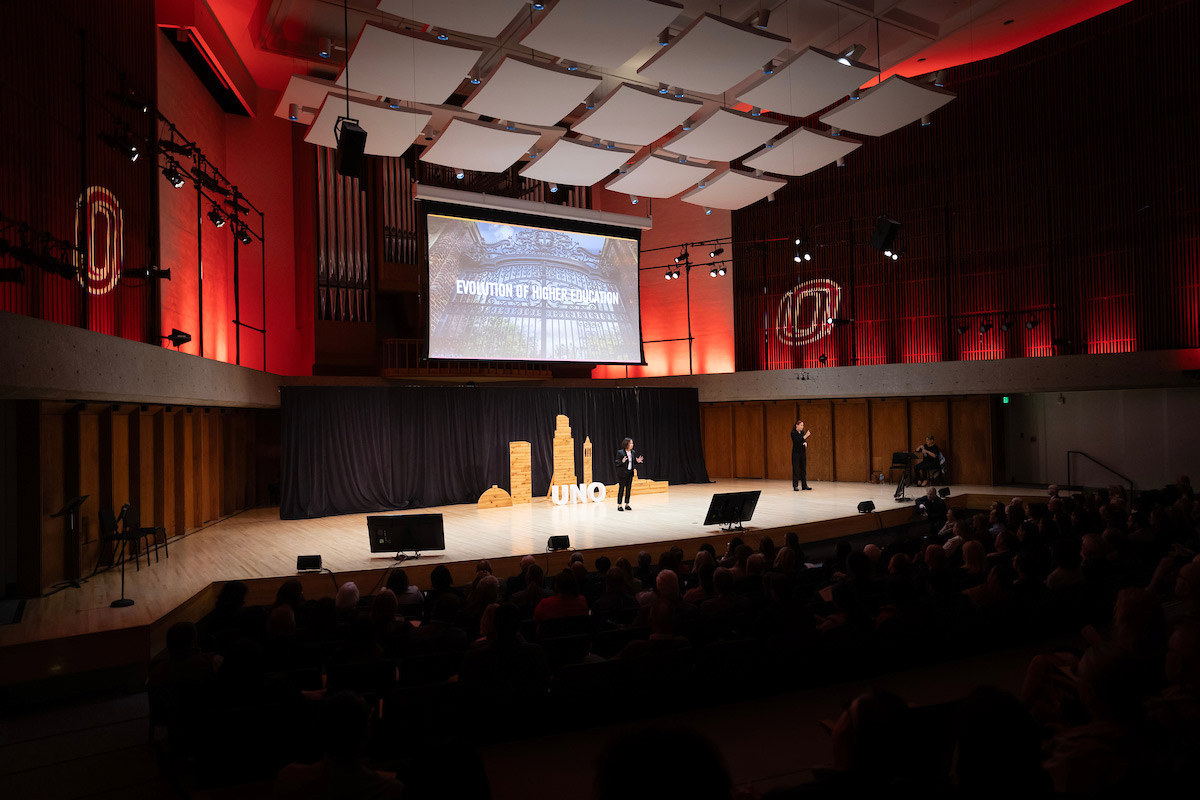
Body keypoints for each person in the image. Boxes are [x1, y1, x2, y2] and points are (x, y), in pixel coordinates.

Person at [614, 437, 644, 511]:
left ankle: (627, 504)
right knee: (621, 488)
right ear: (626, 444)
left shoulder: (633, 452)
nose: (632, 445)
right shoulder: (620, 452)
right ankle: (619, 505)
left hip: (630, 473)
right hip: (622, 473)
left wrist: (637, 461)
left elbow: (633, 462)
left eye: (632, 443)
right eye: (630, 443)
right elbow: (617, 463)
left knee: (628, 489)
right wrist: (622, 461)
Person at [791, 420, 811, 491]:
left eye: (803, 425)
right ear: (797, 425)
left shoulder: (802, 432)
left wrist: (805, 442)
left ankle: (804, 485)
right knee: (796, 470)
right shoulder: (793, 433)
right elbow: (797, 442)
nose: (802, 427)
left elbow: (802, 441)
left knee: (803, 469)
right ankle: (795, 486)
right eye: (801, 425)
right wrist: (805, 437)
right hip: (796, 453)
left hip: (802, 453)